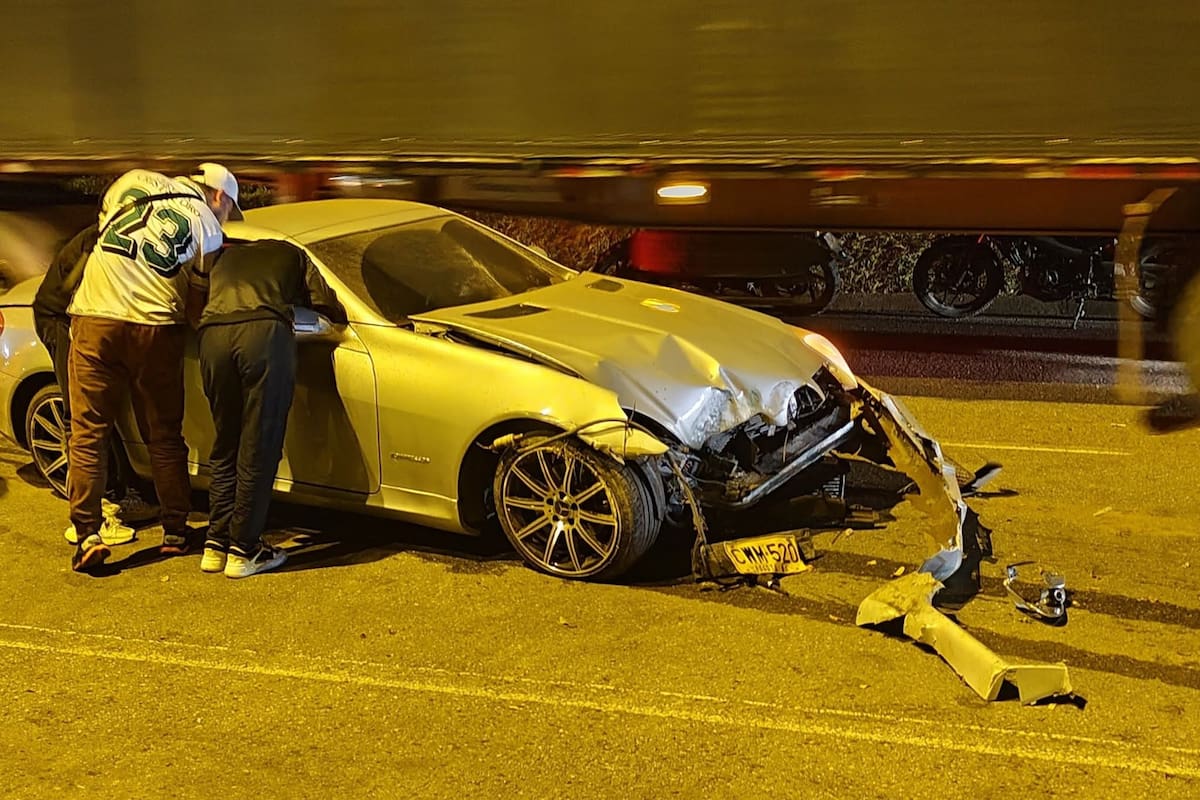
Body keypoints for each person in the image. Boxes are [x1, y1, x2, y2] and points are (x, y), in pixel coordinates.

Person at [66, 163, 240, 573]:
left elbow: (105, 239)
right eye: (230, 208)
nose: (226, 217)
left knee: (88, 433)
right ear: (218, 196)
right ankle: (175, 531)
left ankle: (87, 534)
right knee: (163, 434)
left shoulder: (131, 182)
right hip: (156, 326)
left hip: (95, 316)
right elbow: (196, 306)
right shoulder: (207, 225)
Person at [195, 238, 345, 578]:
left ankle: (216, 543)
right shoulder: (294, 254)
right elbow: (325, 304)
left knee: (227, 442)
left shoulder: (225, 259)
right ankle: (245, 549)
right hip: (261, 334)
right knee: (259, 444)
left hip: (212, 336)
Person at [34, 220, 160, 545]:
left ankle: (121, 493)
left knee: (100, 411)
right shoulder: (104, 238)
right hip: (63, 318)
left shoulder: (124, 230)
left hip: (82, 316)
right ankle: (97, 514)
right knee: (81, 416)